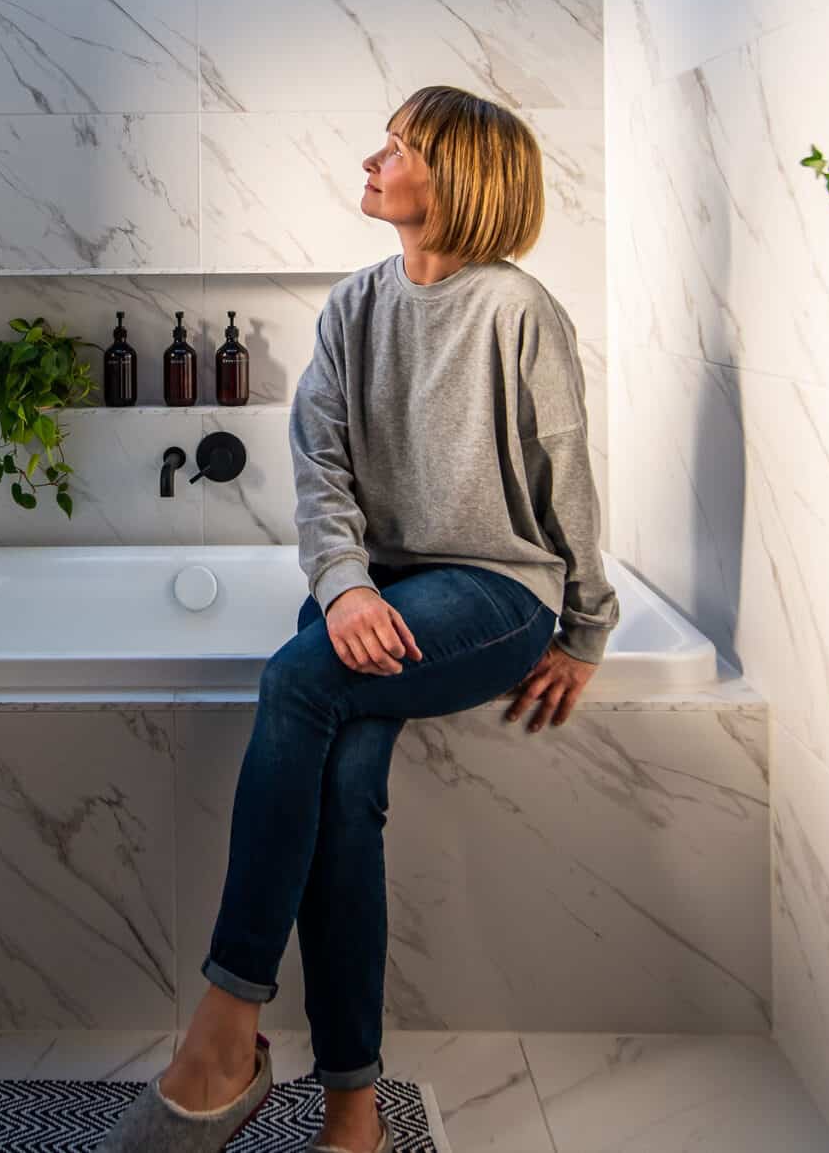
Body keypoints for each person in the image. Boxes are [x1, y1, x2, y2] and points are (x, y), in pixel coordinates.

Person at [100, 83, 616, 1153]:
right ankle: (351, 1110)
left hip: (493, 590)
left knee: (295, 683)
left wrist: (584, 629)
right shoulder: (353, 306)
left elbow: (568, 477)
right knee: (342, 791)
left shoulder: (517, 309)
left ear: (456, 176)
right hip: (369, 589)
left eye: (399, 147)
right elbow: (319, 469)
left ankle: (224, 1029)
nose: (373, 160)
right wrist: (343, 585)